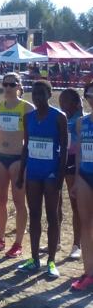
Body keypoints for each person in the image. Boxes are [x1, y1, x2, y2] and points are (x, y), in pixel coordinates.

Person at [16, 80, 67, 279]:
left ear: (49, 94)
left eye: (41, 94)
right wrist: (21, 174)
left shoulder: (59, 117)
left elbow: (63, 149)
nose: (37, 97)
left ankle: (51, 261)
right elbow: (25, 146)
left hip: (51, 174)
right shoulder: (28, 117)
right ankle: (34, 259)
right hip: (33, 173)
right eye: (34, 94)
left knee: (52, 216)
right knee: (34, 215)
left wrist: (60, 176)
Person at [0, 72, 33, 258]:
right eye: (4, 84)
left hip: (17, 159)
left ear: (19, 86)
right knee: (0, 200)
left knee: (20, 202)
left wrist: (25, 160)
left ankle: (18, 243)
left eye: (12, 85)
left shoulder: (27, 108)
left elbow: (29, 137)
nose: (7, 88)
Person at [72, 82, 93, 291]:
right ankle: (89, 272)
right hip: (85, 176)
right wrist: (77, 178)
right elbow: (78, 152)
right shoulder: (81, 122)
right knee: (86, 225)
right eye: (90, 94)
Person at [58, 88, 83, 260]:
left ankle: (77, 244)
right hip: (59, 159)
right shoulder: (60, 117)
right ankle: (56, 239)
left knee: (75, 204)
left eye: (65, 101)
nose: (62, 104)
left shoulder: (82, 119)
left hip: (74, 160)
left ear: (75, 103)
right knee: (55, 202)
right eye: (60, 101)